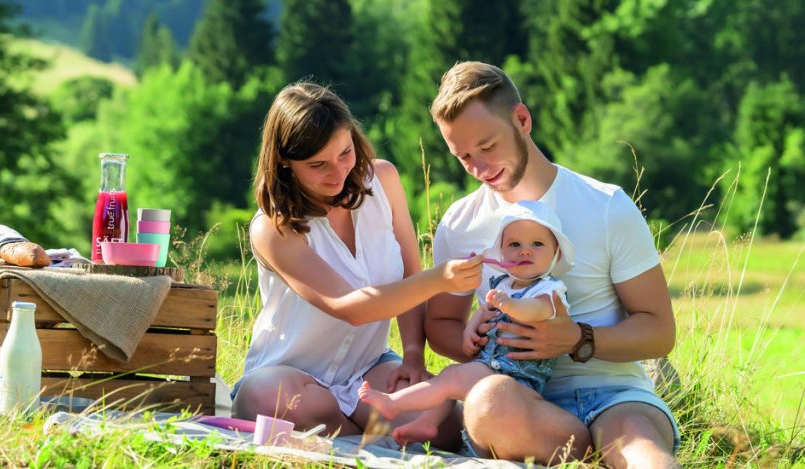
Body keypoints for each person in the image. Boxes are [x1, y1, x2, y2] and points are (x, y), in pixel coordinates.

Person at [423, 61, 679, 467]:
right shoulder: (460, 223)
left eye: (487, 147)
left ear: (521, 119)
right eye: (463, 156)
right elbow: (440, 326)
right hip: (517, 401)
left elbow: (660, 331)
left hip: (613, 397)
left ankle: (603, 453)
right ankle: (582, 456)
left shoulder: (607, 205)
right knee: (487, 403)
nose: (478, 168)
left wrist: (577, 338)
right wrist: (474, 339)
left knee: (641, 452)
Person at [230, 82, 482, 448]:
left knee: (442, 420)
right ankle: (375, 445)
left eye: (344, 153)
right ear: (284, 161)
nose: (337, 173)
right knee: (268, 401)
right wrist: (440, 278)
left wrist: (413, 355)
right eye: (317, 165)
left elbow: (409, 274)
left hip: (367, 370)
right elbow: (351, 307)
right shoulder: (273, 228)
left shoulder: (384, 181)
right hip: (288, 375)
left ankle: (348, 442)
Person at [359, 200, 575, 446]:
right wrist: (470, 331)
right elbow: (482, 312)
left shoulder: (550, 288)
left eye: (537, 244)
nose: (525, 251)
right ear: (501, 252)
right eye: (515, 244)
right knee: (451, 376)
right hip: (491, 366)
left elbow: (538, 310)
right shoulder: (502, 285)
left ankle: (393, 404)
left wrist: (510, 305)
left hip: (519, 379)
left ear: (555, 253)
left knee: (452, 378)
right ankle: (427, 422)